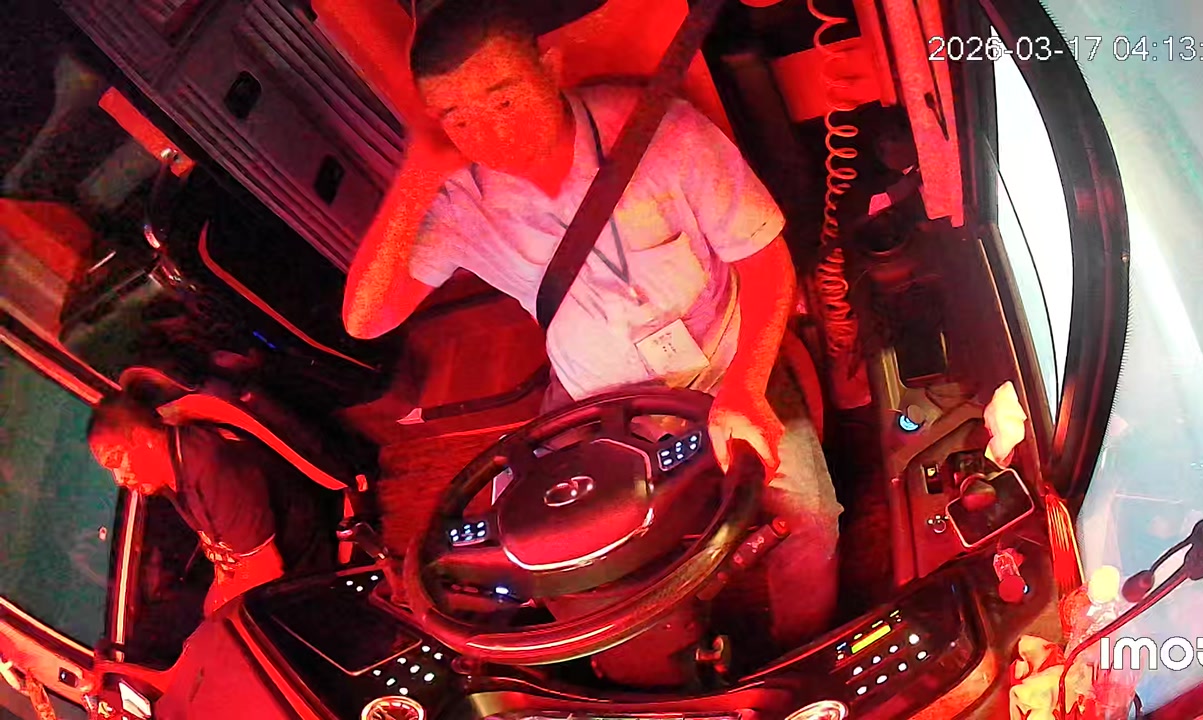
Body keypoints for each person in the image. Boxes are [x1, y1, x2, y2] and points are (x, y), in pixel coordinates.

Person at [343, 0, 842, 648]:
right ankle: (662, 669)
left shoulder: (659, 133)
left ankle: (799, 652)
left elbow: (765, 258)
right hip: (593, 397)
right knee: (534, 556)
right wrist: (419, 170)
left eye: (503, 100)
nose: (492, 136)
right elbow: (365, 320)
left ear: (550, 68)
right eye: (458, 119)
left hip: (724, 365)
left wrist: (747, 385)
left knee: (812, 522)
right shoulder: (463, 203)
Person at [86, 393, 335, 616]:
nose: (119, 479)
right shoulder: (170, 474)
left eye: (116, 459)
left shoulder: (209, 466)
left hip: (307, 581)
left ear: (143, 438)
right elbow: (225, 558)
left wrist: (217, 619)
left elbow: (265, 571)